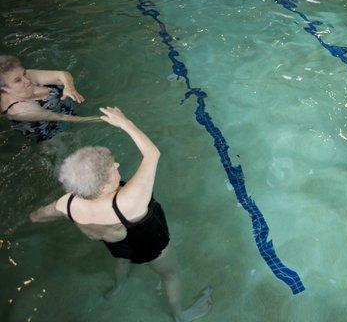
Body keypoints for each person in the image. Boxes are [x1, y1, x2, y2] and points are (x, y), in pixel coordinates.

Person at [29, 107, 212, 321]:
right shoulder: (129, 201)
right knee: (170, 274)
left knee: (123, 258)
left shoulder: (66, 202)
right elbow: (152, 154)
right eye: (113, 168)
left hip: (116, 244)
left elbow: (36, 216)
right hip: (149, 245)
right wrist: (124, 122)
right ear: (104, 185)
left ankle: (118, 286)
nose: (117, 165)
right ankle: (179, 315)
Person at [0, 55, 100, 141]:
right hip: (54, 134)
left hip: (65, 108)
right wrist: (102, 119)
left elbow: (62, 74)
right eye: (17, 81)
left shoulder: (23, 76)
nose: (27, 80)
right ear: (4, 89)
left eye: (24, 73)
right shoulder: (20, 109)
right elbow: (65, 118)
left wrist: (69, 87)